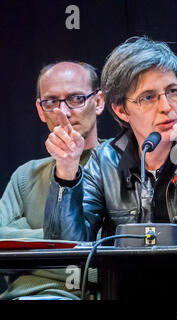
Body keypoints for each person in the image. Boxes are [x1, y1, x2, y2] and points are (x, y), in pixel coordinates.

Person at [43, 36, 177, 299]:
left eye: (172, 91)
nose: (167, 107)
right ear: (121, 110)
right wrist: (66, 172)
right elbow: (68, 250)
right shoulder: (104, 163)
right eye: (148, 97)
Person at [0, 61, 105, 299]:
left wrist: (25, 237)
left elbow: (108, 254)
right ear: (40, 109)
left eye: (76, 98)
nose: (63, 112)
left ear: (98, 102)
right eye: (51, 102)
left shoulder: (116, 164)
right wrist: (61, 240)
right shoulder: (26, 175)